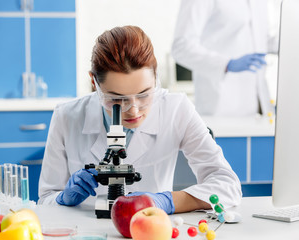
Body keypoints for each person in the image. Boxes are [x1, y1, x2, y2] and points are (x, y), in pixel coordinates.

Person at [38, 25, 242, 214]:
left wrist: (167, 201)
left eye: (144, 94)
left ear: (155, 76)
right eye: (117, 99)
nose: (133, 109)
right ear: (94, 82)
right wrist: (63, 198)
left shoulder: (176, 109)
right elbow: (45, 199)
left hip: (151, 227)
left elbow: (227, 186)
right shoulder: (66, 116)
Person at [172, 0, 279, 116]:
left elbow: (261, 40)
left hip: (260, 105)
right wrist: (226, 64)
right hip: (220, 104)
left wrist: (292, 40)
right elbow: (181, 46)